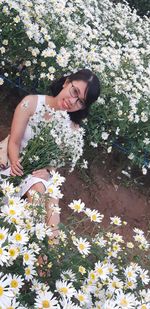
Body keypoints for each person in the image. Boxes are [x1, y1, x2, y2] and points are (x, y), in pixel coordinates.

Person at [0, 68, 101, 241]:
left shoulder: (72, 129)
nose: (72, 101)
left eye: (80, 102)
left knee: (49, 196)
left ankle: (45, 253)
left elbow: (53, 163)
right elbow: (14, 142)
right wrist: (17, 163)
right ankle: (37, 245)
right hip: (12, 159)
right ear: (66, 82)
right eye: (74, 91)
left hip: (36, 172)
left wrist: (47, 171)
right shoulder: (31, 102)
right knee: (39, 191)